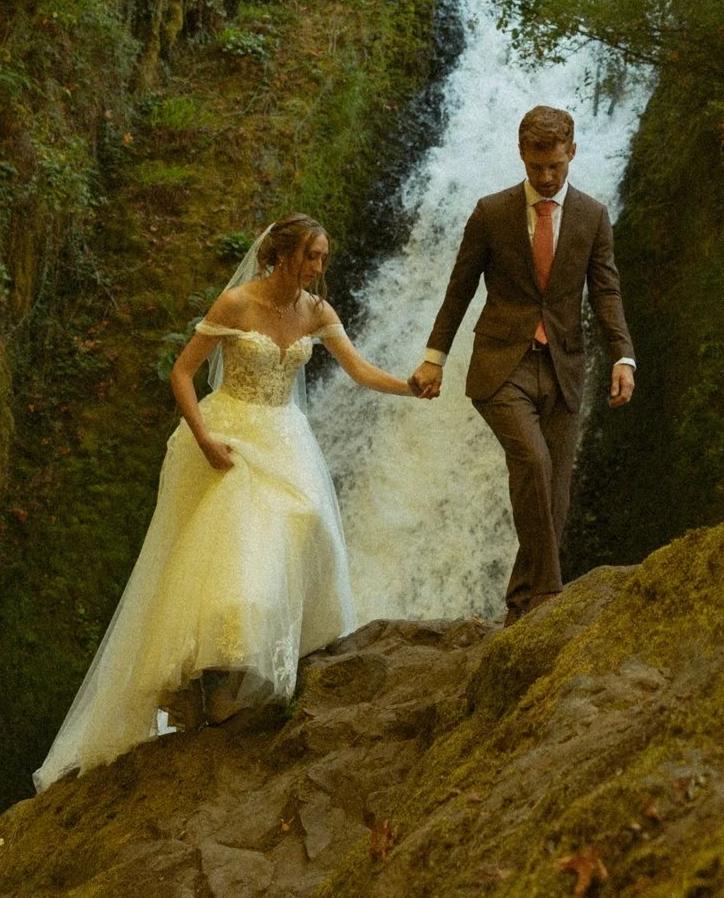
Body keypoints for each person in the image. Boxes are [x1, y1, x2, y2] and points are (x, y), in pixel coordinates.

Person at [33, 215, 415, 790]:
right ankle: (209, 686)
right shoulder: (237, 303)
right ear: (281, 255)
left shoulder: (315, 311)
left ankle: (256, 671)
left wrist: (412, 386)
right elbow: (183, 372)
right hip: (230, 434)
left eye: (323, 257)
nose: (318, 268)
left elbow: (358, 369)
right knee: (234, 549)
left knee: (304, 522)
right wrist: (204, 437)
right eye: (312, 256)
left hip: (286, 438)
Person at [408, 106, 637, 626]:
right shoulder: (491, 213)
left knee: (555, 495)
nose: (547, 177)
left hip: (564, 367)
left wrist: (623, 355)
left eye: (556, 165)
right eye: (537, 167)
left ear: (571, 153)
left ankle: (519, 609)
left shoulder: (593, 216)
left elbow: (606, 291)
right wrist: (433, 359)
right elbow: (459, 288)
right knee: (533, 464)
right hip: (501, 366)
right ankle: (552, 599)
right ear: (522, 155)